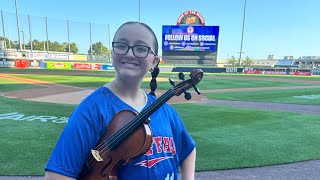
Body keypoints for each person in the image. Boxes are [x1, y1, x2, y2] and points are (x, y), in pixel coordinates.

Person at [44, 21, 196, 180]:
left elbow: (189, 149)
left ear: (154, 62)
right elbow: (56, 176)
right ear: (112, 52)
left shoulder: (165, 111)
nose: (129, 54)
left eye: (141, 48)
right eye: (122, 45)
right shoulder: (92, 109)